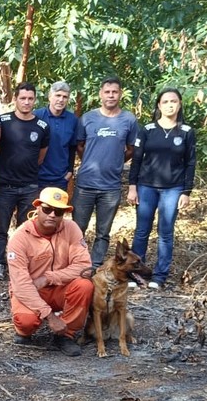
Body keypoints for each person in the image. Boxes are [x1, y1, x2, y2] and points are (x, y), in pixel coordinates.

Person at [6, 187, 93, 357]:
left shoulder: (72, 228)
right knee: (26, 323)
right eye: (47, 209)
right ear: (37, 208)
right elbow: (21, 284)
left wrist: (48, 278)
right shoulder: (20, 237)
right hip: (31, 290)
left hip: (60, 287)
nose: (52, 215)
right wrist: (50, 316)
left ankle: (66, 335)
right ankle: (25, 331)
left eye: (59, 211)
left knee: (84, 285)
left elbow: (84, 267)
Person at [126, 87, 197, 289]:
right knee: (141, 231)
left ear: (180, 104)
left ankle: (159, 276)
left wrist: (186, 192)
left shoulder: (186, 132)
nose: (169, 105)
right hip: (146, 186)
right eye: (165, 102)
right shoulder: (148, 130)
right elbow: (137, 160)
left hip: (173, 188)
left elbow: (190, 163)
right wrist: (133, 187)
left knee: (165, 232)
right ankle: (136, 275)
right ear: (159, 105)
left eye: (173, 101)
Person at [72, 77, 139, 269]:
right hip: (85, 184)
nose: (111, 95)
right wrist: (91, 160)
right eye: (107, 92)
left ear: (120, 94)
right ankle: (78, 263)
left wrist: (116, 162)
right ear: (100, 94)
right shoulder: (88, 118)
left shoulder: (129, 120)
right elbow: (79, 145)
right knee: (77, 229)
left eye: (115, 92)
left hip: (110, 187)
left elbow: (131, 149)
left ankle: (94, 265)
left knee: (103, 231)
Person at [0, 82, 50, 281]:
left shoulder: (42, 126)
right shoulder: (3, 120)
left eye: (30, 98)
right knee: (1, 228)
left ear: (35, 100)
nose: (26, 102)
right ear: (15, 99)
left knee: (26, 229)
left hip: (29, 186)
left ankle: (21, 266)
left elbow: (41, 156)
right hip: (5, 185)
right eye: (22, 98)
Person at [34, 81, 78, 191]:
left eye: (65, 97)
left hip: (60, 178)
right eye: (58, 95)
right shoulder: (36, 116)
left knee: (57, 208)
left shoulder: (73, 120)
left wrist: (70, 172)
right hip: (36, 178)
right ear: (50, 97)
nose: (61, 100)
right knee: (35, 208)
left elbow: (72, 148)